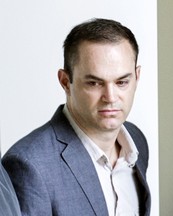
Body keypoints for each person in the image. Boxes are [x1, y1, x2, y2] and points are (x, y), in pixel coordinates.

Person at [2, 18, 151, 216]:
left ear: (137, 77)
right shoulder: (30, 165)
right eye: (94, 83)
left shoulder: (136, 140)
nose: (111, 97)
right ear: (65, 82)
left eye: (122, 82)